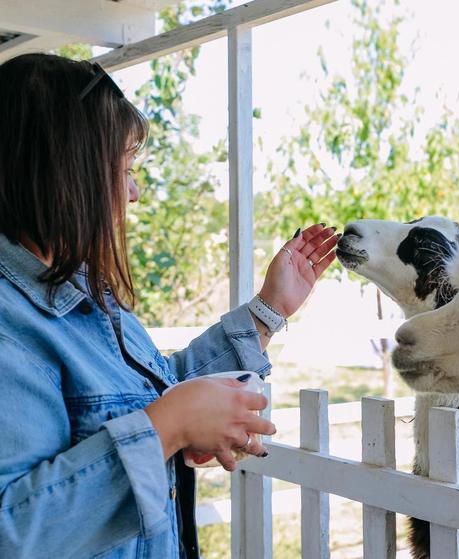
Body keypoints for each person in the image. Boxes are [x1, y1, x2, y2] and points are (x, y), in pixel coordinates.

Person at [0, 53, 339, 558]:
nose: (133, 193)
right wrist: (166, 429)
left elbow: (154, 389)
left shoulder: (88, 295)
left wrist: (269, 311)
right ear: (64, 176)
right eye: (124, 170)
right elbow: (14, 533)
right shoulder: (10, 327)